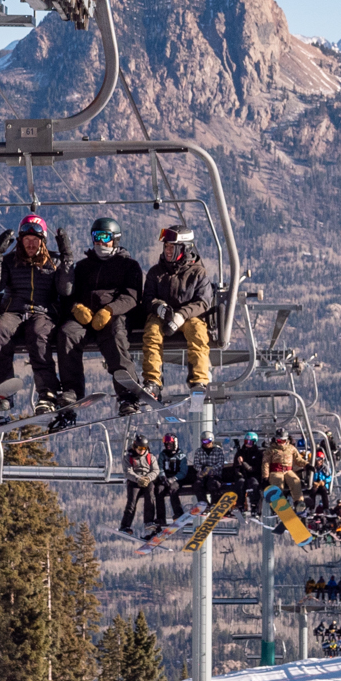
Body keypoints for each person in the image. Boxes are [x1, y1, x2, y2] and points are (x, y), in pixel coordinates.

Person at [53, 215, 145, 413]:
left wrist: (109, 310)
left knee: (115, 336)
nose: (99, 242)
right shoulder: (84, 266)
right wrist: (76, 307)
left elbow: (132, 297)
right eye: (96, 236)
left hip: (112, 316)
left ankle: (127, 393)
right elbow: (69, 293)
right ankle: (71, 389)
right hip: (85, 318)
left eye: (105, 237)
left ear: (115, 238)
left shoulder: (129, 266)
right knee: (67, 333)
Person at [0, 215, 73, 414]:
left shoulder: (55, 261)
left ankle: (47, 393)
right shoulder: (9, 261)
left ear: (43, 241)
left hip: (43, 311)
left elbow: (65, 289)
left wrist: (67, 256)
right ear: (20, 241)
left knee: (39, 335)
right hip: (14, 310)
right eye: (26, 240)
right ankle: (3, 392)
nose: (31, 244)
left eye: (35, 240)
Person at [137, 225, 212, 400]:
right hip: (162, 316)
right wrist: (159, 308)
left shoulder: (198, 272)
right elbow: (147, 297)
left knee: (198, 333)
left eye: (172, 247)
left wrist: (181, 315)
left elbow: (203, 301)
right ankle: (152, 382)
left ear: (184, 249)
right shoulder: (157, 272)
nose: (168, 251)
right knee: (152, 333)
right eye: (166, 247)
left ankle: (199, 381)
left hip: (188, 317)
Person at [120, 433, 164, 535]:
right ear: (135, 447)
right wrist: (138, 478)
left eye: (144, 448)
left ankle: (149, 521)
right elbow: (127, 472)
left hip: (147, 480)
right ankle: (125, 525)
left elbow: (156, 470)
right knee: (132, 502)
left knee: (150, 498)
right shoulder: (129, 457)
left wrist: (148, 478)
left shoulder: (150, 457)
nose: (142, 450)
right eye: (139, 448)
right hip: (134, 481)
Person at [262, 428, 310, 504]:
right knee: (278, 483)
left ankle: (299, 502)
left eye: (283, 441)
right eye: (279, 441)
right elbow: (266, 463)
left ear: (287, 440)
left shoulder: (291, 448)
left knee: (295, 481)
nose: (281, 443)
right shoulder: (271, 450)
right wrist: (265, 476)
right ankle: (277, 502)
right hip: (276, 471)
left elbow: (298, 459)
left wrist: (307, 465)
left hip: (288, 470)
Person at [190, 432, 235, 503]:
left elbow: (220, 464)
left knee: (213, 484)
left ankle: (215, 503)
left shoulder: (218, 451)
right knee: (197, 485)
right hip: (202, 476)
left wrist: (211, 469)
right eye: (204, 441)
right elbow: (196, 464)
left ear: (212, 441)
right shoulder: (198, 451)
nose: (206, 443)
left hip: (215, 475)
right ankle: (204, 503)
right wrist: (202, 468)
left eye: (208, 441)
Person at [158, 430, 188, 520]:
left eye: (170, 444)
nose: (168, 446)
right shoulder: (163, 455)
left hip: (177, 479)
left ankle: (178, 513)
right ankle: (160, 517)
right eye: (166, 444)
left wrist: (174, 478)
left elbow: (183, 472)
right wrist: (163, 476)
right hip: (165, 479)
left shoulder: (181, 456)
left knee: (172, 489)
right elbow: (160, 467)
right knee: (159, 490)